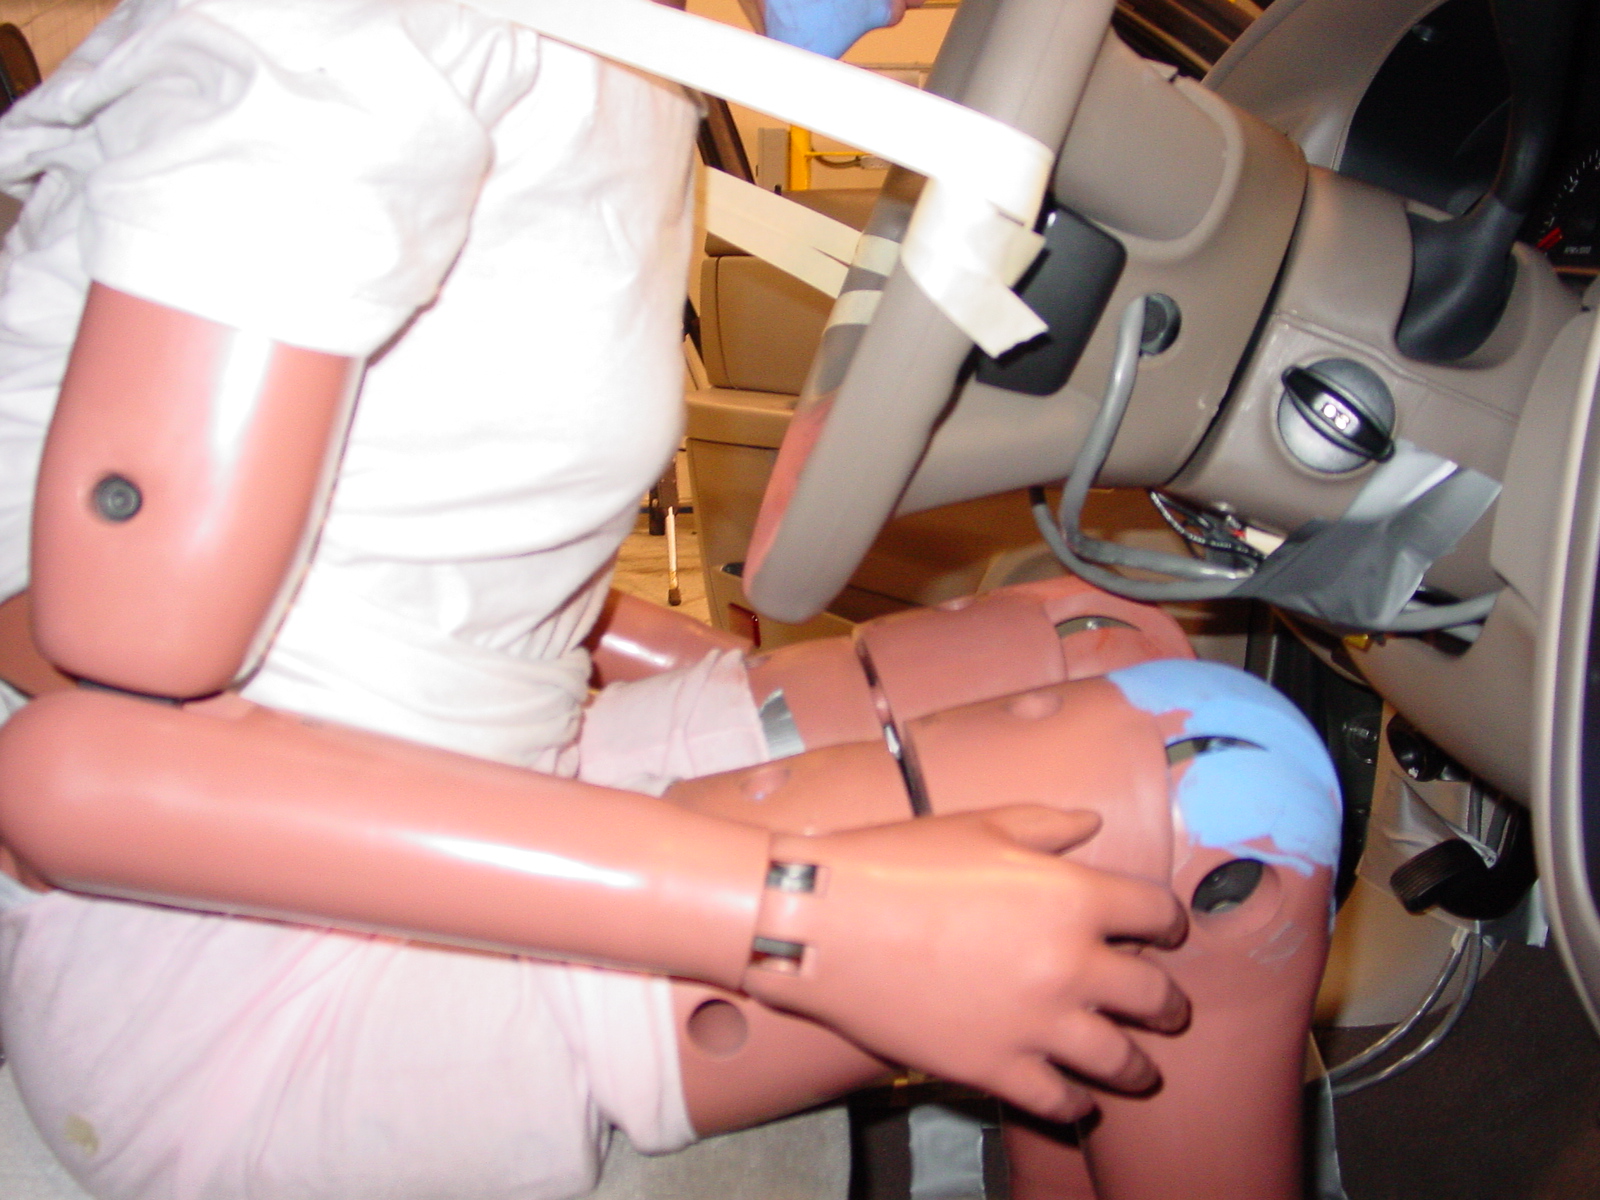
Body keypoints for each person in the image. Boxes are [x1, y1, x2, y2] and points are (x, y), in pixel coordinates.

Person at [0, 2, 1190, 1198]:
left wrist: (728, 687)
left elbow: (429, 535)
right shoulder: (359, 42)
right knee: (1211, 792)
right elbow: (87, 772)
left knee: (1108, 652)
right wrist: (801, 918)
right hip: (232, 978)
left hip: (466, 765)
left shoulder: (626, 48)